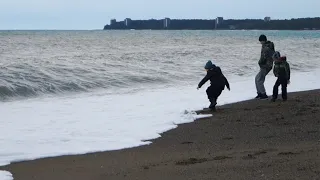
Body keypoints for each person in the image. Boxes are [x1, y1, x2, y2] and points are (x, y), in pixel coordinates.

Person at [255, 34, 275, 99]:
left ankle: (263, 94)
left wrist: (259, 62)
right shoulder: (269, 45)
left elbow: (263, 57)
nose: (260, 43)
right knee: (257, 78)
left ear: (263, 40)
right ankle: (260, 93)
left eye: (260, 41)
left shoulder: (266, 47)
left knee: (259, 80)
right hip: (268, 65)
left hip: (265, 66)